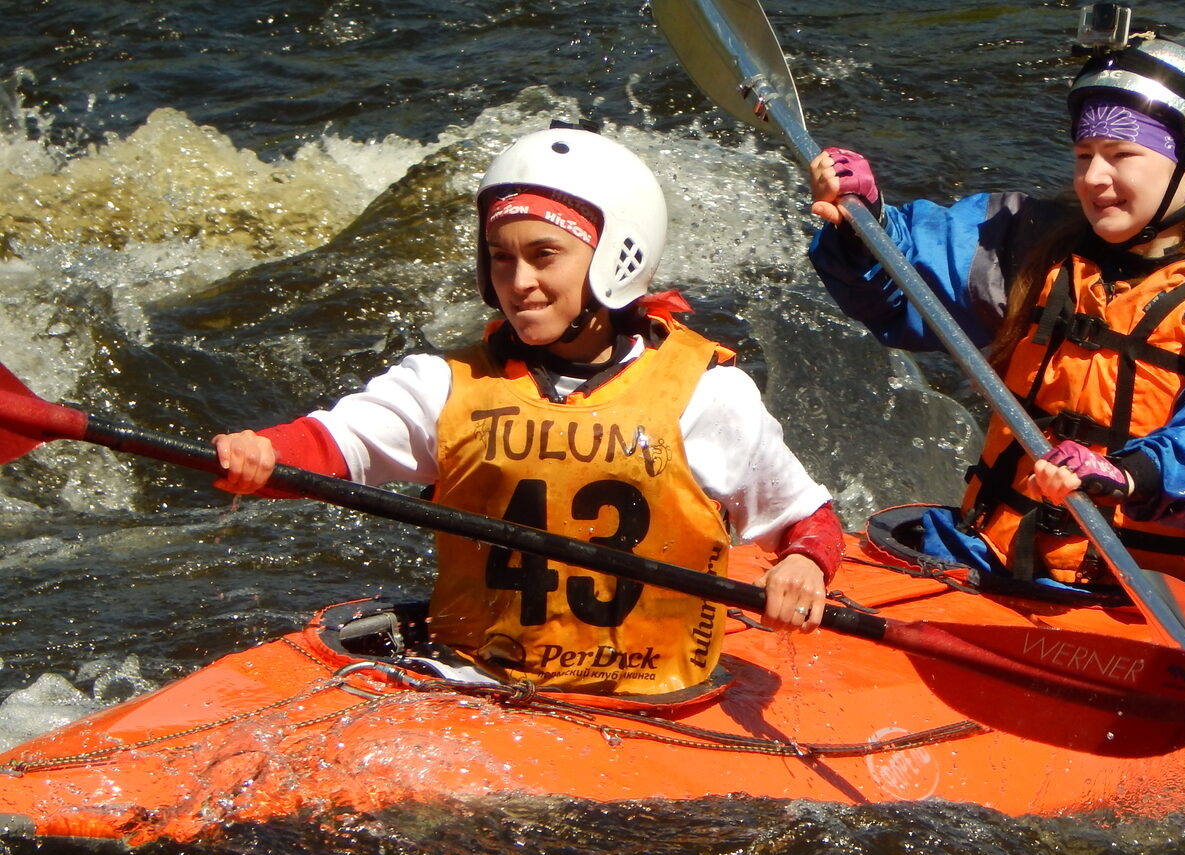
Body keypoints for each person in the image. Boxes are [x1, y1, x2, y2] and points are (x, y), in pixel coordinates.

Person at [215, 123, 842, 695]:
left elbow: (805, 518)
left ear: (615, 258)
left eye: (545, 255)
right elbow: (331, 447)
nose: (519, 282)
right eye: (501, 257)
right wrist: (264, 455)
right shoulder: (444, 385)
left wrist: (802, 564)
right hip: (474, 681)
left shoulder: (707, 393)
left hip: (660, 690)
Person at [806, 33, 1185, 603]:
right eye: (1085, 156)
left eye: (1122, 155)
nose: (1094, 178)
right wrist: (863, 223)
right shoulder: (1036, 246)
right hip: (989, 556)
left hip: (1140, 592)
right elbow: (905, 277)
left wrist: (1129, 475)